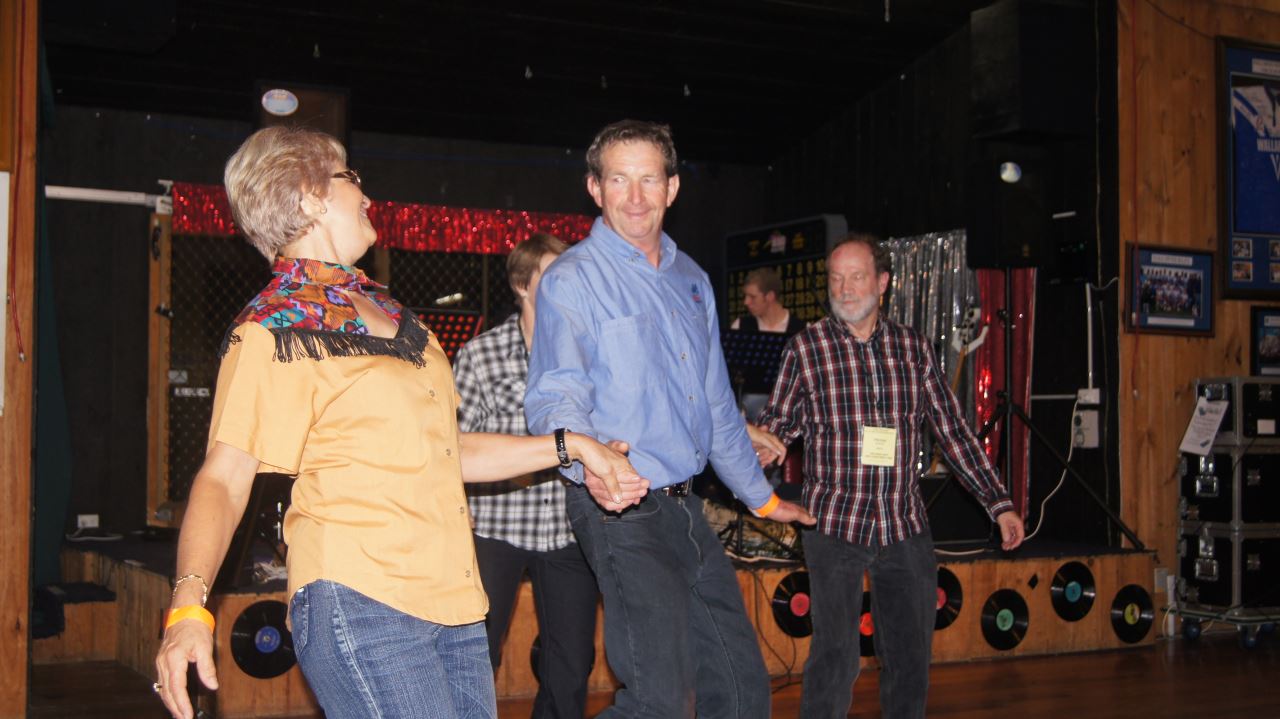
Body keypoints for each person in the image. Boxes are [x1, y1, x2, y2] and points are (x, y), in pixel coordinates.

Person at [152, 126, 647, 719]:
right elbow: (225, 476)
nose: (365, 195)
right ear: (310, 196)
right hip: (361, 599)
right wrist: (188, 609)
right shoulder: (273, 328)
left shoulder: (391, 312)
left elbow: (448, 451)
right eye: (350, 179)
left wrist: (571, 445)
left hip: (455, 603)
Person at [524, 119, 815, 719]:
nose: (635, 196)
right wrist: (590, 464)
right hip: (619, 506)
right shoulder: (572, 279)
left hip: (686, 508)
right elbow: (556, 394)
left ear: (672, 188)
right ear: (595, 188)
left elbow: (716, 408)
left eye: (649, 180)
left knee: (742, 691)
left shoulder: (693, 281)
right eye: (619, 180)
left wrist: (762, 499)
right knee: (661, 702)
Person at [756, 233, 1026, 719]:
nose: (844, 289)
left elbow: (953, 432)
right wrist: (753, 451)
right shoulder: (807, 349)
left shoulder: (913, 348)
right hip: (833, 523)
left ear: (882, 283)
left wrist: (999, 503)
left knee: (909, 659)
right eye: (836, 279)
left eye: (856, 277)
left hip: (903, 525)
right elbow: (777, 427)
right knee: (834, 659)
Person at [453, 232, 598, 718]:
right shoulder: (481, 354)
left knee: (572, 666)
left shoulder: (588, 352)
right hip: (498, 526)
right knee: (478, 656)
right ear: (521, 284)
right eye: (554, 276)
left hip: (568, 528)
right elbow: (452, 445)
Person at [730, 267, 806, 335]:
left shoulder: (803, 330)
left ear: (770, 296)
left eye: (752, 297)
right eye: (745, 296)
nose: (746, 302)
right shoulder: (740, 326)